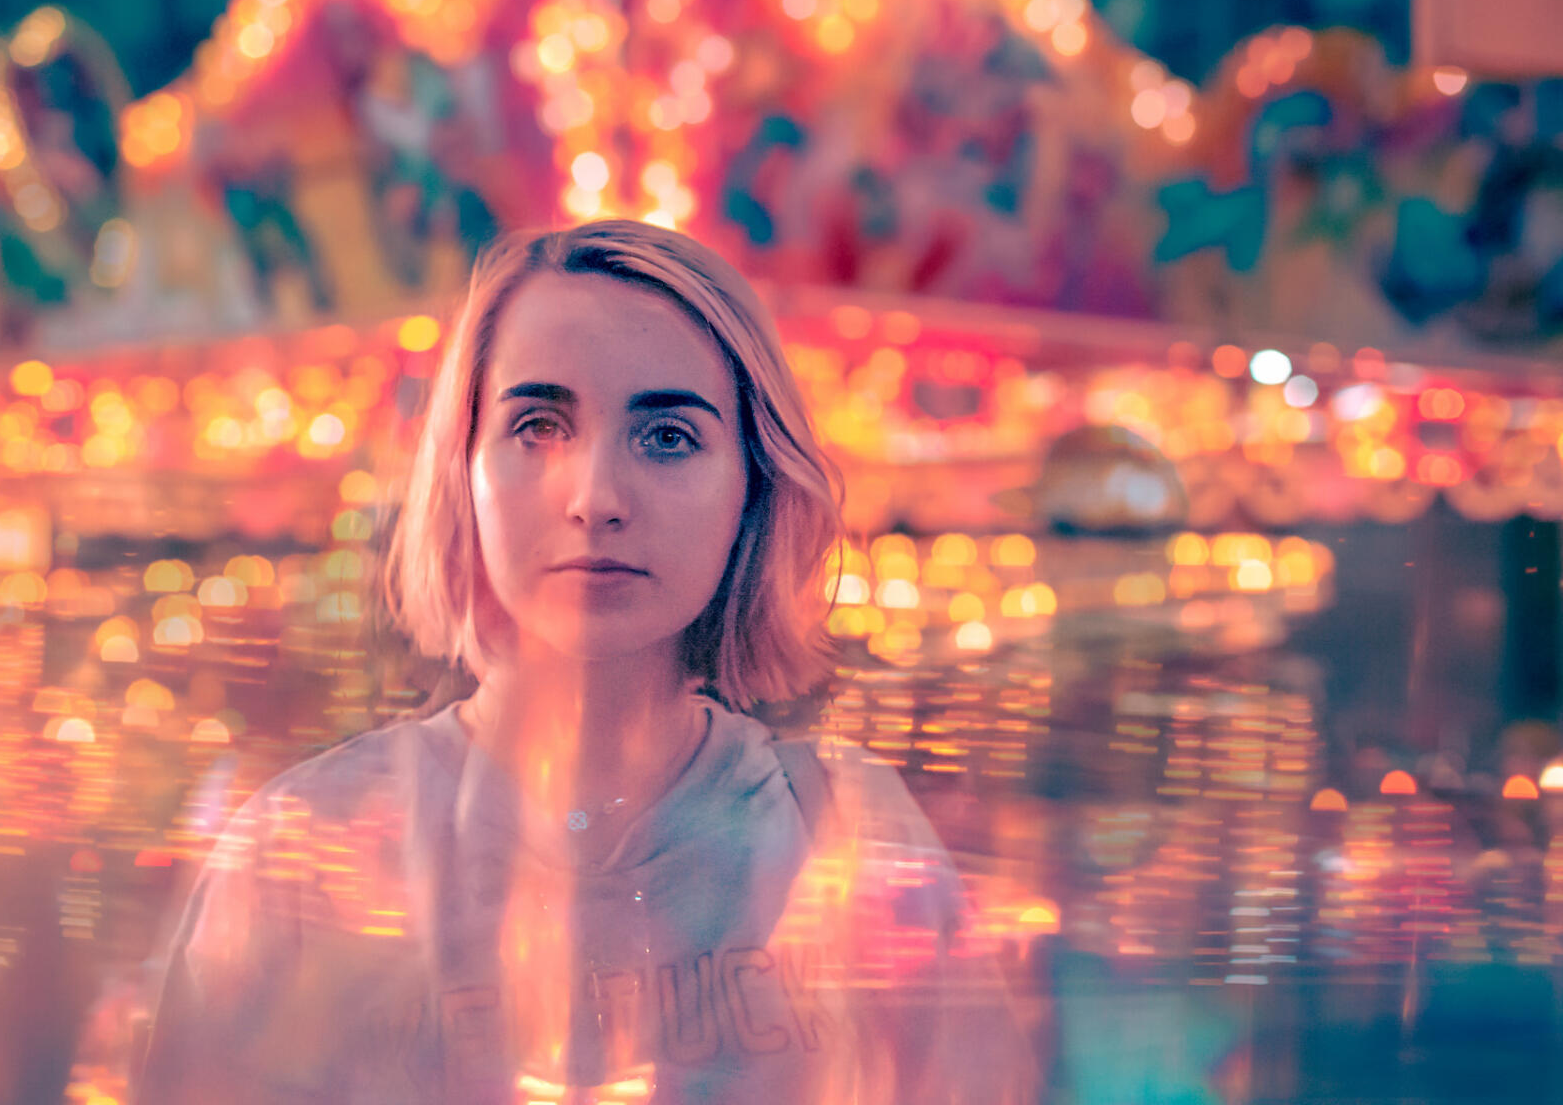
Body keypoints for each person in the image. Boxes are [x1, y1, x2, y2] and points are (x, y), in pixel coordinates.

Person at [135, 220, 1034, 1103]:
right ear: (463, 469)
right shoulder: (308, 847)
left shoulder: (847, 838)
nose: (596, 498)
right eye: (537, 427)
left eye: (669, 436)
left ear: (752, 488)